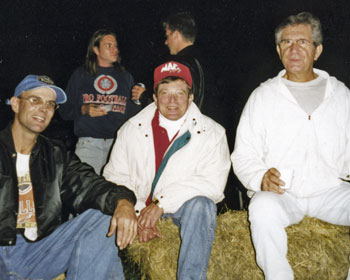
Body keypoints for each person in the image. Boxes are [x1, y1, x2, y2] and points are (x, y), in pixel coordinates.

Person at [231, 12, 350, 280]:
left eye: (303, 42)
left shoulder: (341, 95)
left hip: (330, 189)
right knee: (261, 208)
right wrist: (260, 177)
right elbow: (243, 155)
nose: (294, 49)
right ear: (278, 49)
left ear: (317, 50)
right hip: (284, 194)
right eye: (286, 43)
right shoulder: (263, 96)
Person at [0, 74, 138, 279]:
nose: (43, 109)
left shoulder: (54, 155)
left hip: (40, 252)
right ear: (15, 104)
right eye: (35, 100)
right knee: (109, 266)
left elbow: (90, 185)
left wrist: (123, 200)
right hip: (3, 252)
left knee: (105, 215)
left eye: (50, 104)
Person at [104, 61, 231, 279]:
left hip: (181, 211)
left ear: (190, 97)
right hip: (139, 208)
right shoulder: (131, 129)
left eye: (180, 94)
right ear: (154, 97)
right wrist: (139, 214)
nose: (172, 101)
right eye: (165, 93)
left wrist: (161, 204)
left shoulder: (212, 132)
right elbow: (114, 177)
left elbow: (213, 184)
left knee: (202, 205)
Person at [59, 29, 140, 175]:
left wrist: (140, 99)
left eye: (115, 46)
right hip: (88, 146)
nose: (115, 49)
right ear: (96, 49)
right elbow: (64, 111)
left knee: (116, 194)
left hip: (118, 146)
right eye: (109, 46)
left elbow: (133, 115)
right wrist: (83, 109)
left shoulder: (126, 77)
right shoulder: (80, 75)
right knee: (84, 194)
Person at [132, 12, 206, 110]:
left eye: (167, 36)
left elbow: (170, 103)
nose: (166, 42)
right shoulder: (205, 60)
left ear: (175, 34)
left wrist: (143, 95)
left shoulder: (179, 65)